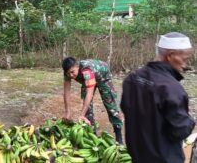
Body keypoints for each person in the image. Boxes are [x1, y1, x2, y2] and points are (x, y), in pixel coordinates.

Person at [121, 32, 195, 163]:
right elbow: (179, 131)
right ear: (171, 56)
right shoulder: (171, 88)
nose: (184, 65)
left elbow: (127, 110)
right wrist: (190, 120)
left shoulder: (132, 78)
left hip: (138, 156)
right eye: (184, 59)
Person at [62, 57, 123, 144]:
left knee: (110, 105)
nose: (71, 75)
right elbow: (66, 91)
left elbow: (89, 94)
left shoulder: (87, 70)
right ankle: (93, 135)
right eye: (68, 73)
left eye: (72, 72)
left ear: (77, 66)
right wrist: (67, 111)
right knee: (87, 109)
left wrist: (81, 115)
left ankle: (119, 137)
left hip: (102, 76)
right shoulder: (67, 72)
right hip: (86, 80)